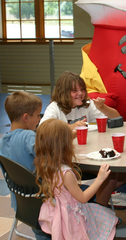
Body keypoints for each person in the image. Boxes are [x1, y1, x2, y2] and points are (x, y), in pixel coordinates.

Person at [39, 71, 126, 207]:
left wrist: (103, 107)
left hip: (87, 155)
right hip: (67, 161)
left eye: (82, 89)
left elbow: (117, 120)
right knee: (110, 176)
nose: (80, 93)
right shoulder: (55, 108)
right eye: (74, 90)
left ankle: (94, 200)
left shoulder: (86, 105)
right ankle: (99, 211)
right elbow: (43, 131)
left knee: (125, 172)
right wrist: (71, 127)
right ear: (63, 92)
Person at [35, 119, 118, 240]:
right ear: (64, 145)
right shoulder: (65, 173)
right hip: (72, 217)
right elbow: (83, 198)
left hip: (56, 211)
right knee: (105, 218)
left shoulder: (44, 164)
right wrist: (100, 178)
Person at [0, 91, 51, 240]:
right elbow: (49, 158)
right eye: (37, 115)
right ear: (26, 117)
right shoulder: (29, 137)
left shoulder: (3, 142)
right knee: (82, 192)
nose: (39, 119)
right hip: (43, 205)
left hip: (22, 204)